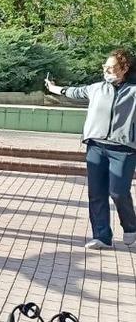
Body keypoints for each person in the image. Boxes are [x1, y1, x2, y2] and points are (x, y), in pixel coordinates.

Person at [46, 48, 136, 250]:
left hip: (124, 148)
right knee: (96, 193)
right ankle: (102, 236)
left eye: (111, 67)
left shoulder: (134, 91)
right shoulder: (96, 88)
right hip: (96, 146)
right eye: (105, 67)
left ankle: (131, 226)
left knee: (118, 192)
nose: (106, 70)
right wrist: (54, 89)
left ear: (124, 68)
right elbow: (74, 92)